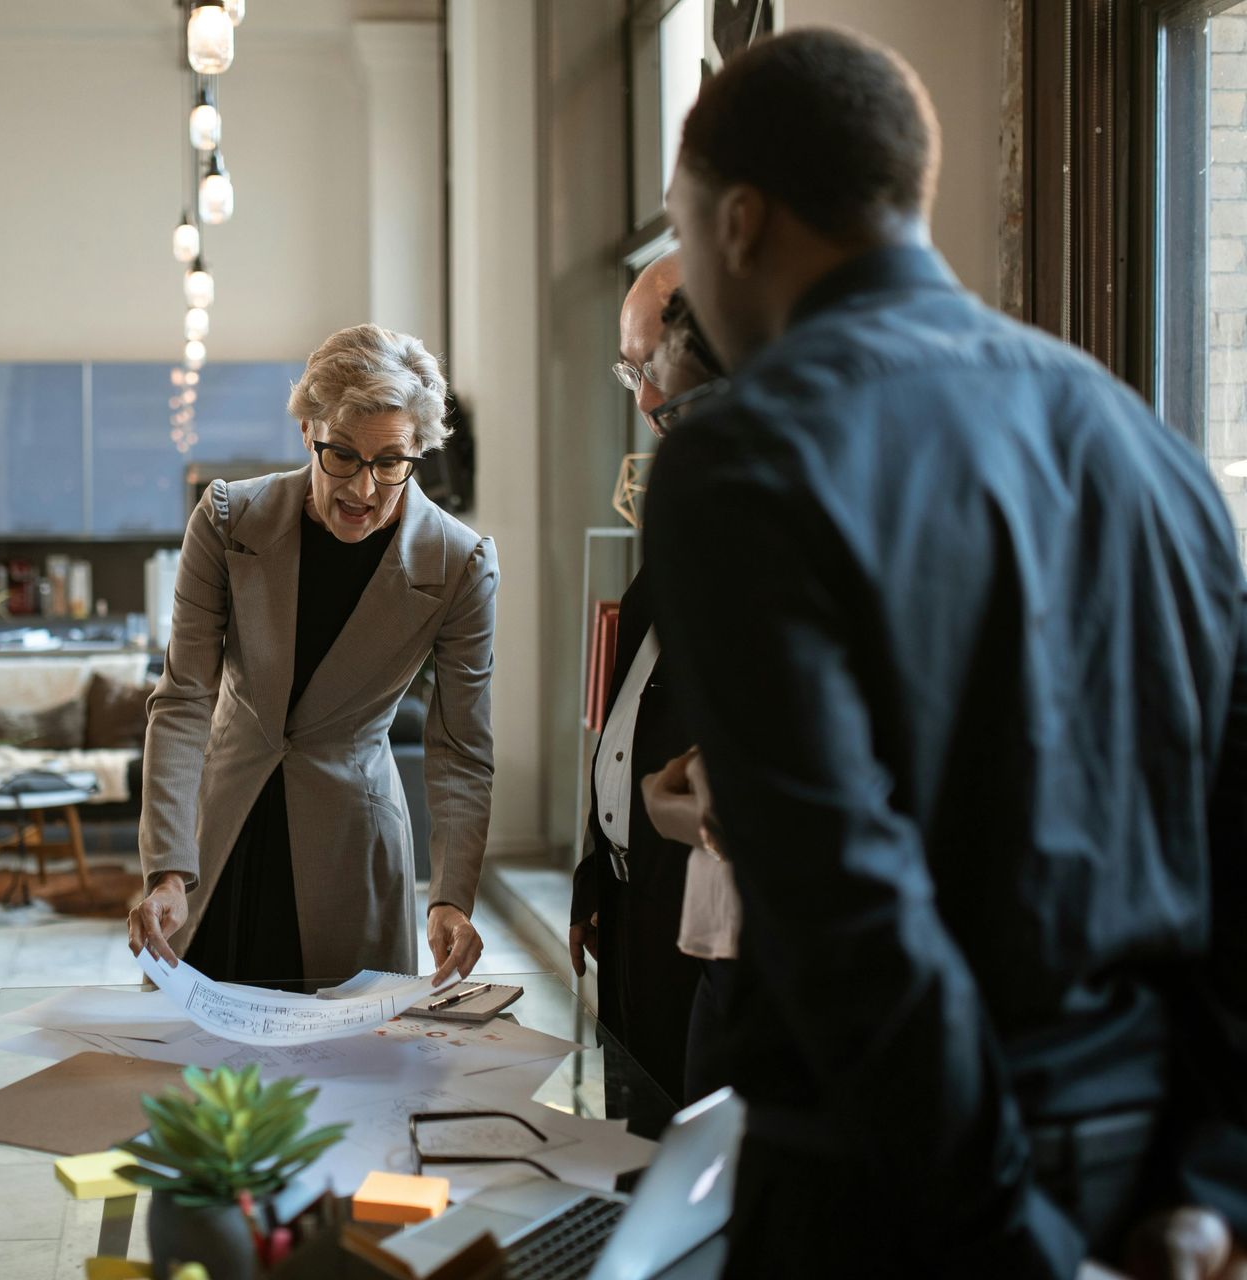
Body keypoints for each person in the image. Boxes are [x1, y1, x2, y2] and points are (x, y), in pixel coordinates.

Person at [645, 27, 1247, 1277]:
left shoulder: (740, 453)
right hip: (1143, 1171)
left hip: (894, 1184)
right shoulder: (1139, 439)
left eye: (683, 235)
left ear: (740, 223)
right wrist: (1213, 1179)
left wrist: (1007, 1236)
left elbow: (840, 901)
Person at [129, 324, 497, 986]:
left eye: (390, 463)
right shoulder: (227, 520)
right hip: (223, 833)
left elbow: (461, 748)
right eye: (343, 457)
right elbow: (184, 698)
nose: (363, 490)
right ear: (308, 433)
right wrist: (166, 866)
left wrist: (450, 896)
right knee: (192, 1069)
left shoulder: (458, 561)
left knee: (345, 1073)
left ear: (418, 452)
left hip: (351, 847)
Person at [567, 259, 724, 1122]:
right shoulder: (676, 522)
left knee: (680, 1144)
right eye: (628, 373)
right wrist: (598, 873)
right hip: (630, 904)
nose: (641, 402)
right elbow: (623, 724)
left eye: (646, 371)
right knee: (630, 1140)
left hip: (703, 911)